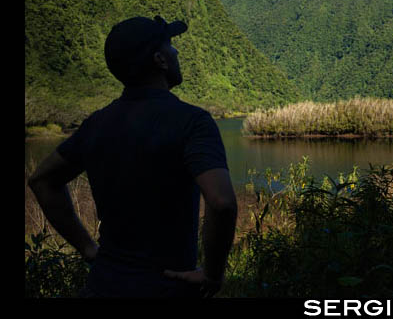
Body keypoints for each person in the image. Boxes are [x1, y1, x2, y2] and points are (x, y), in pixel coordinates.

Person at [27, 15, 238, 298]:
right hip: (168, 288)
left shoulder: (96, 125)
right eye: (171, 47)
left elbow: (42, 180)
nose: (176, 53)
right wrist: (213, 274)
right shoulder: (192, 122)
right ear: (160, 60)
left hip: (102, 287)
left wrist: (88, 248)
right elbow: (222, 202)